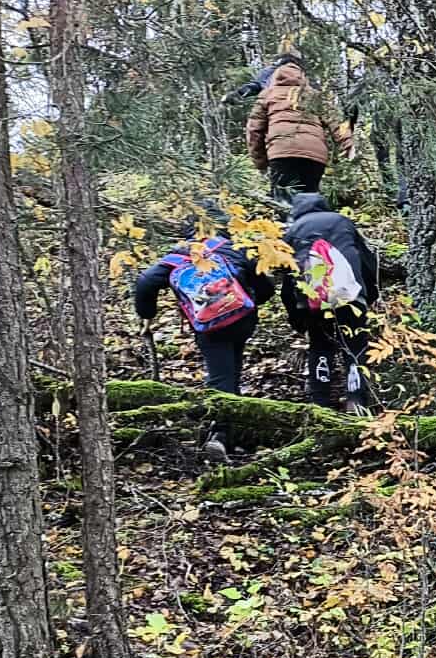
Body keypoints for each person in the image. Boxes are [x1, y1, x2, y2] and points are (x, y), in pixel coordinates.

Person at [133, 216, 273, 464]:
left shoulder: (178, 256)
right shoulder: (232, 247)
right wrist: (252, 301)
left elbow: (145, 281)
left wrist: (147, 315)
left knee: (220, 375)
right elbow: (265, 284)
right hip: (242, 319)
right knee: (231, 368)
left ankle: (220, 433)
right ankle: (230, 426)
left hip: (210, 326)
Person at [280, 192, 380, 414]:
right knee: (355, 347)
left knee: (320, 346)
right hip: (350, 296)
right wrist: (369, 295)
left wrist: (296, 316)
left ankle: (320, 404)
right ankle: (356, 401)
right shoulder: (342, 222)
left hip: (312, 301)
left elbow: (288, 278)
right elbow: (367, 261)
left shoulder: (293, 231)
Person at [246, 53, 350, 201]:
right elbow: (337, 122)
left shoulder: (267, 94)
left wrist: (261, 163)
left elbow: (254, 130)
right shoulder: (315, 95)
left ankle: (288, 216)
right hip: (314, 155)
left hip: (281, 153)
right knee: (309, 201)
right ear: (302, 75)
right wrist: (348, 145)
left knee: (285, 204)